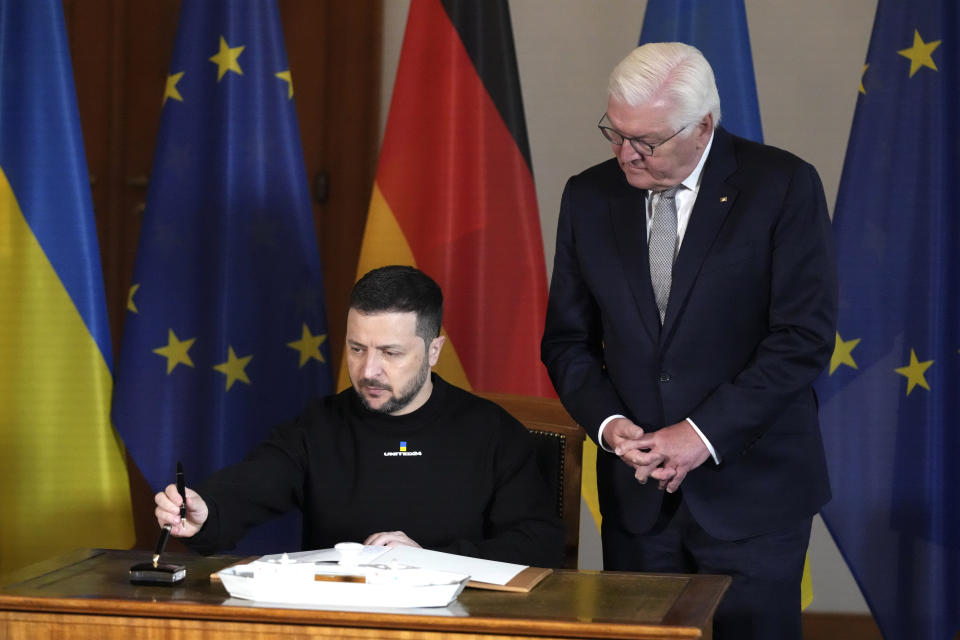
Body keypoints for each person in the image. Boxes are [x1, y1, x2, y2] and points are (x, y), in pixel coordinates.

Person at [540, 42, 837, 638]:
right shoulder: (590, 195)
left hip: (751, 495)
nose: (626, 153)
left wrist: (700, 434)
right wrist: (607, 424)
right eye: (615, 133)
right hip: (639, 497)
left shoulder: (781, 186)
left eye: (646, 141)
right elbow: (567, 341)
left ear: (702, 126)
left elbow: (801, 338)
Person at [156, 265, 564, 568]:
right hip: (339, 620)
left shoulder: (491, 430)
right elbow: (251, 487)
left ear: (434, 350)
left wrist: (431, 559)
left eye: (390, 352)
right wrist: (204, 512)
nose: (369, 370)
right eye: (357, 349)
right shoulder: (319, 425)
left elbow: (538, 544)